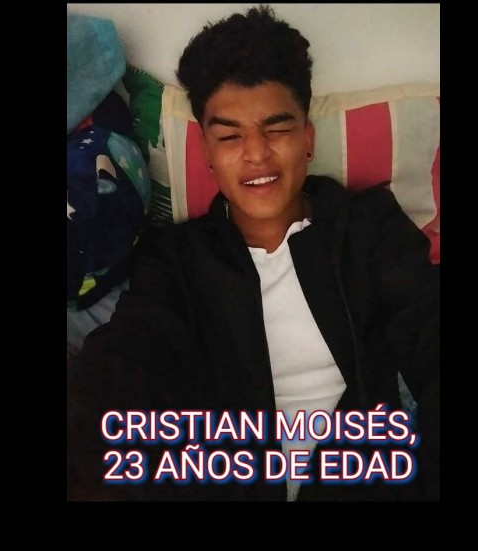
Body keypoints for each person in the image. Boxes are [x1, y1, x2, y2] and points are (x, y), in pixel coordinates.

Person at [67, 4, 440, 501]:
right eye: (229, 135)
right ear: (206, 152)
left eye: (277, 128)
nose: (257, 152)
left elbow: (429, 332)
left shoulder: (368, 228)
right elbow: (125, 361)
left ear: (307, 139)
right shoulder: (176, 258)